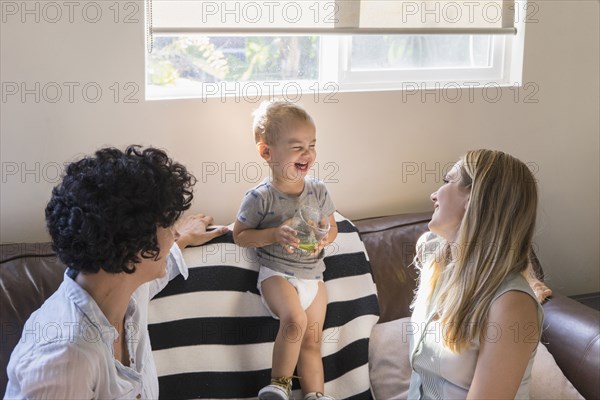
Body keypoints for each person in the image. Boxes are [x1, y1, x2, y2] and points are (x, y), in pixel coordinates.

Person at [5, 145, 228, 399]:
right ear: (132, 247)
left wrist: (184, 238)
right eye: (166, 225)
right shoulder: (64, 358)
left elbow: (158, 268)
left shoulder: (125, 288)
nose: (173, 232)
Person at [408, 149, 547, 399]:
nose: (433, 195)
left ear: (475, 198)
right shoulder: (436, 261)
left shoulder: (511, 304)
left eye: (448, 180)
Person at [233, 101, 338, 400]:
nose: (307, 153)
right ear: (267, 152)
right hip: (277, 274)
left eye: (312, 145)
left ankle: (315, 394)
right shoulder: (260, 198)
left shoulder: (318, 191)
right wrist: (273, 234)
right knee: (295, 320)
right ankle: (279, 384)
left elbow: (332, 229)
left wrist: (323, 238)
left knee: (312, 342)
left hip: (313, 277)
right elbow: (239, 236)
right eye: (297, 147)